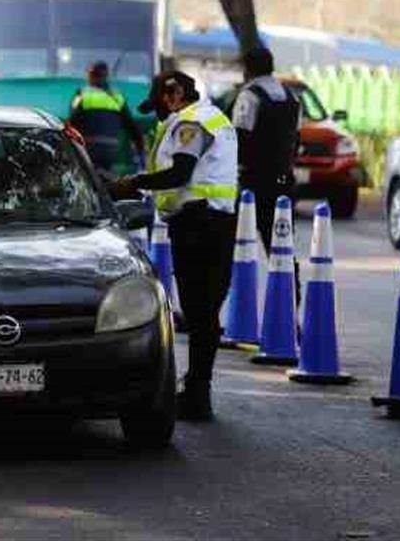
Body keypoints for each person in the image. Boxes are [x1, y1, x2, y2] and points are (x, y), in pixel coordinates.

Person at [110, 71, 238, 421]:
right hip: (215, 223)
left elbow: (180, 173)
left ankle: (198, 395)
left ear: (175, 93)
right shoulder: (213, 118)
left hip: (199, 225)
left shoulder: (192, 123)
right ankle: (199, 392)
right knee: (204, 313)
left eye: (160, 106)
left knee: (200, 313)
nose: (160, 115)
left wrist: (132, 183)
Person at [231, 47, 302, 307]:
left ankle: (227, 312)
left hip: (252, 184)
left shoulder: (249, 96)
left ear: (247, 68)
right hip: (284, 181)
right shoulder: (291, 97)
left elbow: (239, 139)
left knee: (233, 246)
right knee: (282, 248)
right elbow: (296, 139)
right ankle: (288, 312)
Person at [68, 61, 145, 178]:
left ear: (91, 76)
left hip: (89, 146)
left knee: (87, 177)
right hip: (111, 148)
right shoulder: (117, 97)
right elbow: (131, 125)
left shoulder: (83, 94)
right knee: (103, 176)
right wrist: (140, 146)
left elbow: (73, 121)